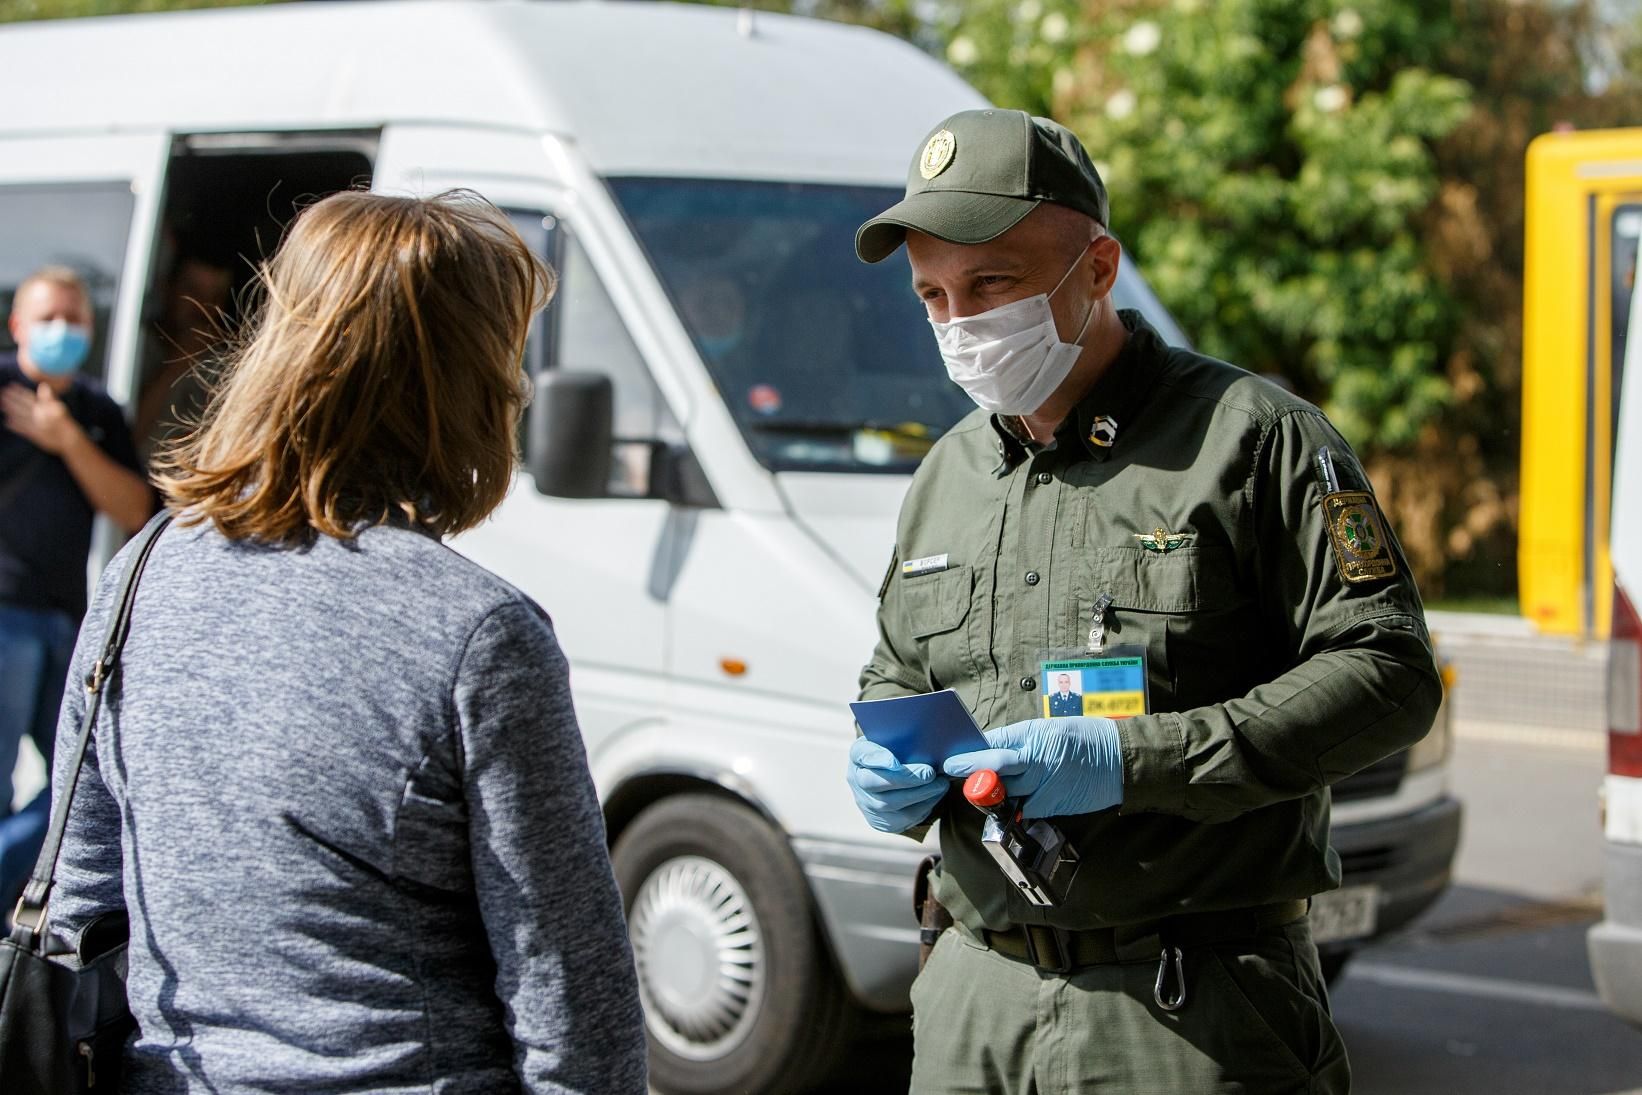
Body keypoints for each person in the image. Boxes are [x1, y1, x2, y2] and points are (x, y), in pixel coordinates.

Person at [846, 109, 1440, 1093]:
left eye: (992, 283)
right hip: (971, 1001)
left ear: (1097, 267)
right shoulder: (946, 472)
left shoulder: (1252, 439)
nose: (962, 325)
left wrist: (1129, 759)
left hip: (1185, 1009)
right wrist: (885, 759)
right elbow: (899, 667)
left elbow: (1387, 677)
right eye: (933, 296)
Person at [46, 190, 648, 1093]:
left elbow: (78, 910)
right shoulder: (477, 634)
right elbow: (570, 1001)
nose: (518, 387)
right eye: (506, 357)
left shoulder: (142, 574)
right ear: (462, 382)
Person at [0, 265, 153, 914]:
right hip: (5, 616)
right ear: (17, 324)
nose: (61, 330)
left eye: (75, 319)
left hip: (68, 618)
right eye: (48, 317)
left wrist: (67, 442)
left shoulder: (96, 410)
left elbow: (134, 507)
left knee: (83, 780)